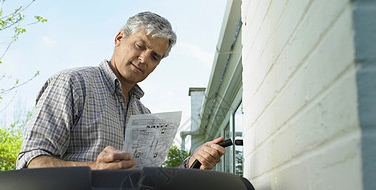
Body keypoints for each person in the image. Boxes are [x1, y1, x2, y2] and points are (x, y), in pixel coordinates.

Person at [16, 12, 225, 170]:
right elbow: (31, 161)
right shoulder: (72, 84)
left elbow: (149, 181)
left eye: (154, 57)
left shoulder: (144, 115)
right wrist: (94, 168)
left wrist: (192, 164)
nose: (144, 59)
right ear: (118, 39)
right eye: (139, 46)